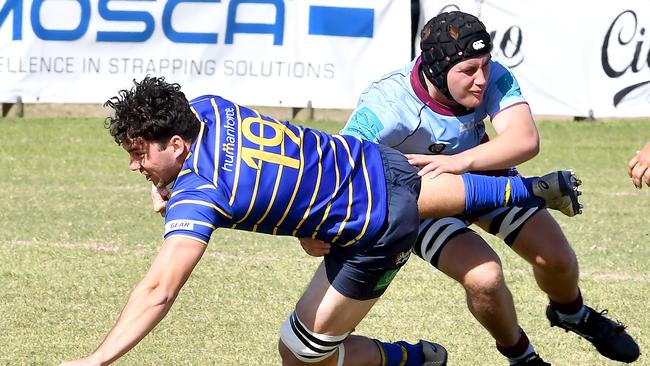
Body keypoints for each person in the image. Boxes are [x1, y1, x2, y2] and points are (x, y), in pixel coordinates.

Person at [59, 76, 582, 366]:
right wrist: (161, 182)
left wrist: (97, 360)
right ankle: (526, 188)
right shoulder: (208, 108)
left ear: (177, 144)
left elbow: (158, 290)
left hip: (373, 235)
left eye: (138, 153)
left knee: (298, 354)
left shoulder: (201, 195)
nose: (134, 164)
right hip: (375, 161)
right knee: (414, 192)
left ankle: (407, 361)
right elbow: (185, 157)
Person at [303, 11, 639, 366]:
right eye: (468, 71)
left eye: (485, 65)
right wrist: (310, 229)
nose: (480, 79)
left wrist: (460, 161)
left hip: (482, 175)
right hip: (424, 198)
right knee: (486, 278)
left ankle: (571, 314)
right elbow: (338, 167)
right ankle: (521, 355)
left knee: (556, 258)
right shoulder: (387, 105)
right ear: (434, 70)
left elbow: (525, 139)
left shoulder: (492, 76)